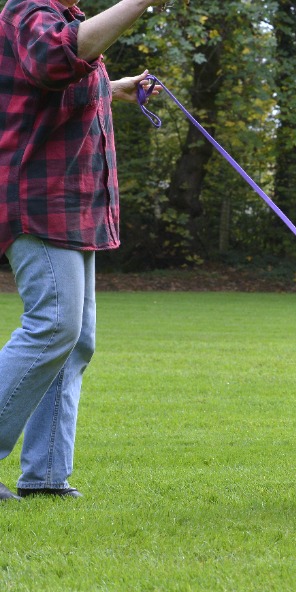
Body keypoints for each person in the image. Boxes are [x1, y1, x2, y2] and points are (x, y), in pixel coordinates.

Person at [0, 0, 167, 501]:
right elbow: (57, 60)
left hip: (73, 206)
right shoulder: (26, 10)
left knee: (76, 340)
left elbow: (58, 81)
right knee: (54, 324)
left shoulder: (63, 17)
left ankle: (47, 475)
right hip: (38, 200)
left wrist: (114, 88)